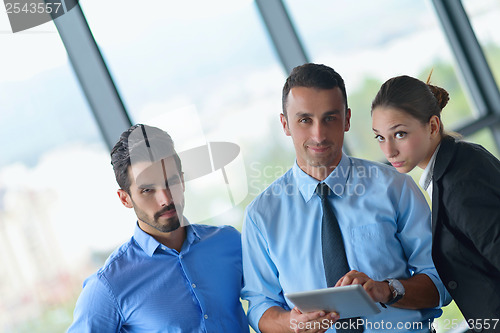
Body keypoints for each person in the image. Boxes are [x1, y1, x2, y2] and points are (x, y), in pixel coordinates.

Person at [241, 63, 450, 333]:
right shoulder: (261, 216)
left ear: (347, 119)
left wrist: (386, 290)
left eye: (330, 118)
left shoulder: (395, 188)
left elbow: (442, 282)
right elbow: (259, 306)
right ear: (285, 124)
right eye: (305, 120)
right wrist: (291, 323)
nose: (318, 135)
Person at [68, 124, 249, 332]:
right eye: (147, 190)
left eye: (171, 182)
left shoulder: (229, 242)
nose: (165, 199)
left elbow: (270, 302)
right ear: (125, 198)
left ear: (182, 180)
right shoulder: (108, 285)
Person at [371, 75, 500, 327]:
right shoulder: (456, 163)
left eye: (399, 134)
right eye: (380, 137)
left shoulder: (460, 181)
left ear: (432, 126)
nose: (389, 151)